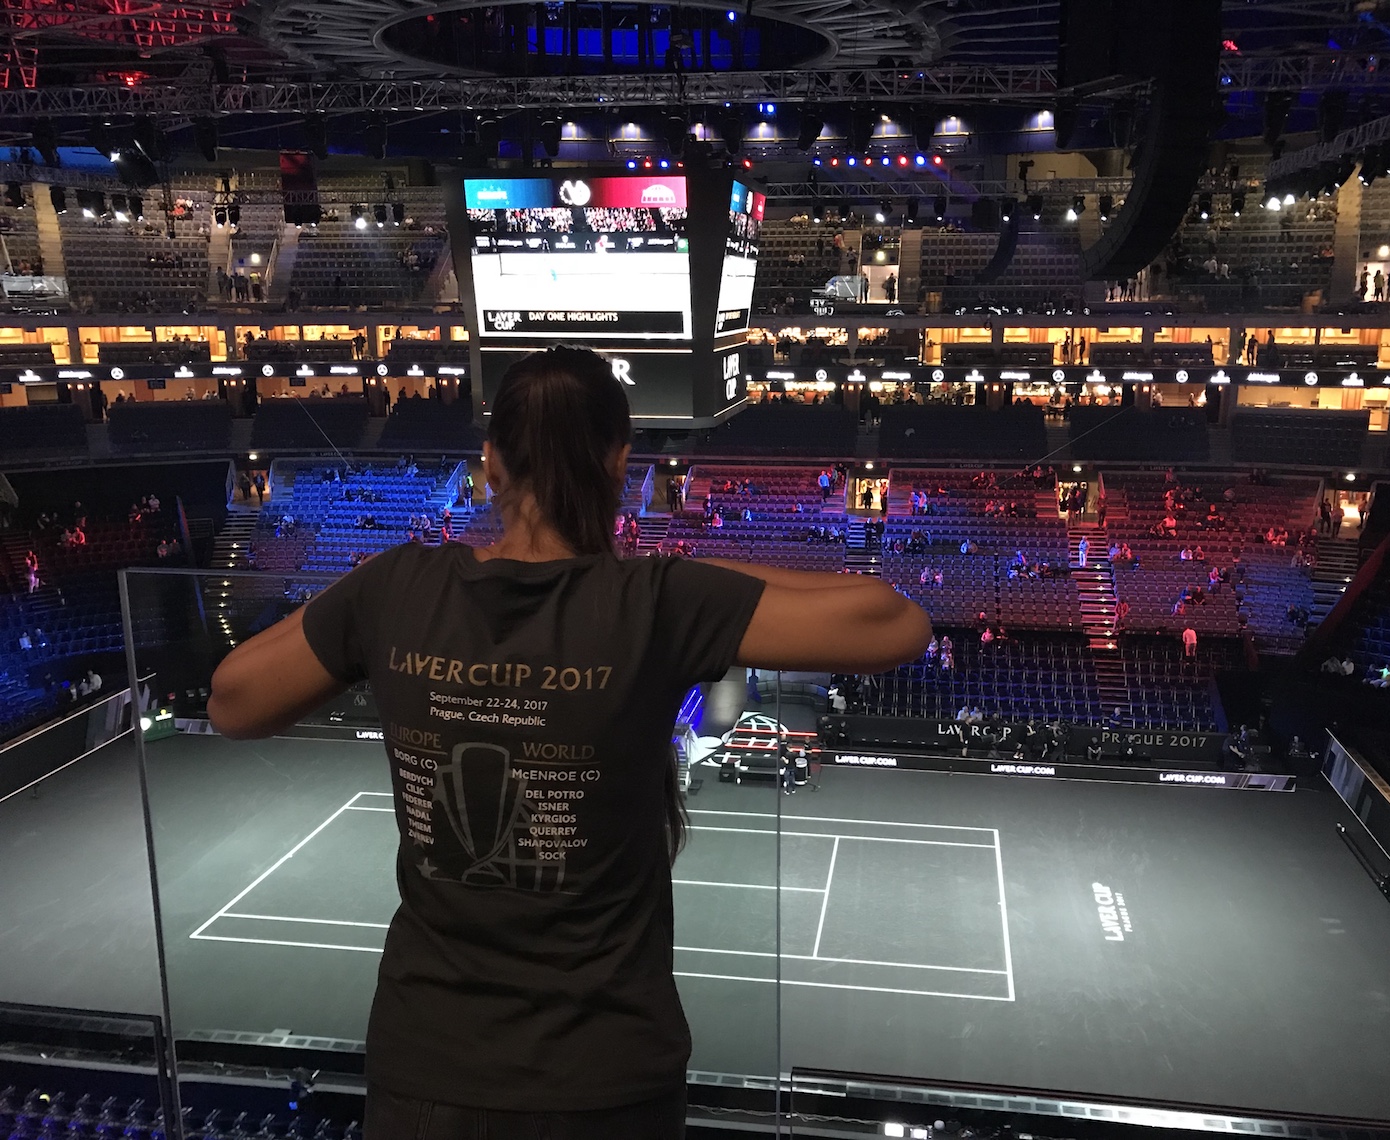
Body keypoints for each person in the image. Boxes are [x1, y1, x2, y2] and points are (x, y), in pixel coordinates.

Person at [206, 347, 930, 1140]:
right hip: (606, 1081)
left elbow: (233, 700)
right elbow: (893, 619)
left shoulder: (397, 588)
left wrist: (363, 618)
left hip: (425, 1072)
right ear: (620, 464)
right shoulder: (655, 602)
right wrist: (677, 582)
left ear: (490, 464)